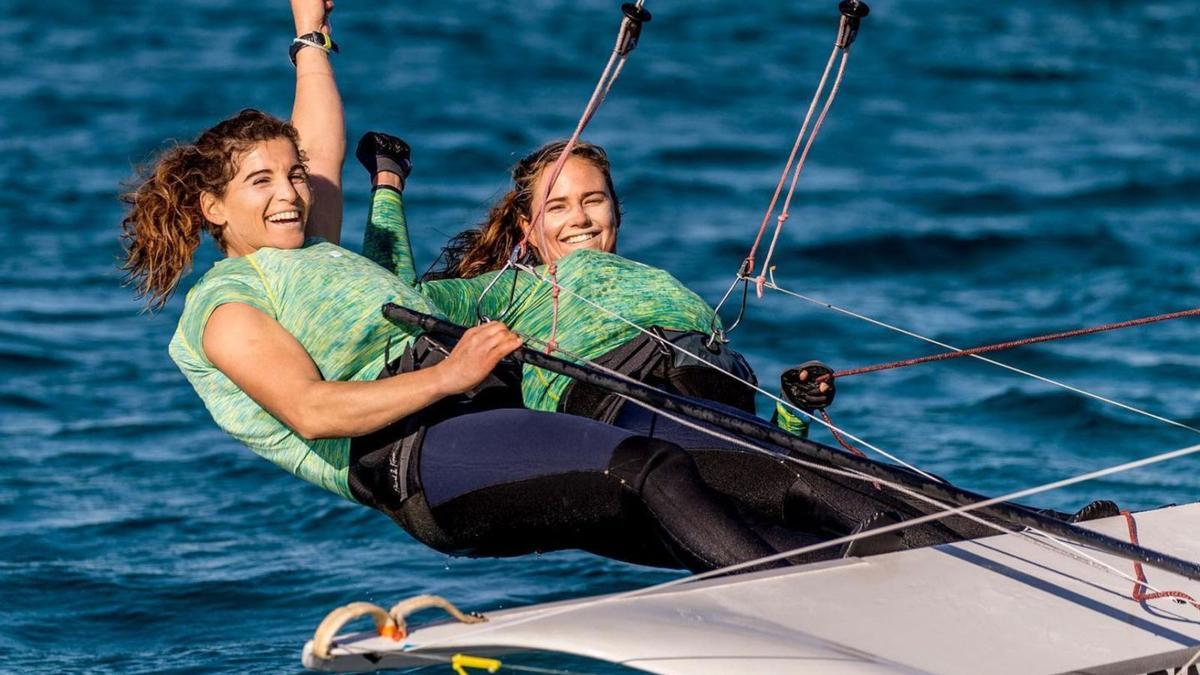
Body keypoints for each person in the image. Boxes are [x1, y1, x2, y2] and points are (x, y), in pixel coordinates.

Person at [118, 0, 870, 575]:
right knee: (651, 468)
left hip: (483, 412)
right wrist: (450, 371)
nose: (289, 191)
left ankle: (930, 544)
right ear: (211, 207)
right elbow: (313, 412)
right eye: (261, 182)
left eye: (292, 176)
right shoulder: (224, 307)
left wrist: (309, 31)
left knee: (769, 477)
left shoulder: (313, 250)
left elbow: (321, 145)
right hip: (415, 456)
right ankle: (800, 591)